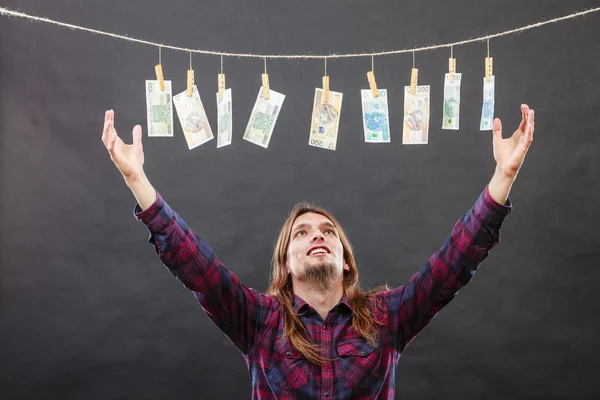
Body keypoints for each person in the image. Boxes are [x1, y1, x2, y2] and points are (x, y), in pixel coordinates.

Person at [101, 105, 535, 400]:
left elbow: (454, 263)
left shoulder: (387, 318)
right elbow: (193, 263)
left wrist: (504, 175)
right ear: (286, 264)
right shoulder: (257, 321)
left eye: (328, 231)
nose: (317, 236)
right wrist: (137, 180)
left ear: (345, 259)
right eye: (301, 233)